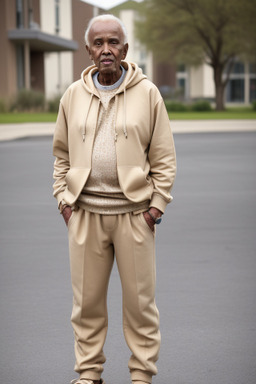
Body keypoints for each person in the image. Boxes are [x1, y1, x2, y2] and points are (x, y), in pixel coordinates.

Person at [53, 14, 176, 384]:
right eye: (98, 43)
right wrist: (63, 200)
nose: (106, 50)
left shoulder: (148, 93)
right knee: (86, 306)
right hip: (85, 215)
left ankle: (141, 375)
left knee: (140, 305)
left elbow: (165, 157)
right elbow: (61, 154)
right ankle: (89, 374)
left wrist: (155, 208)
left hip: (134, 215)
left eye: (113, 42)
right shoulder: (72, 96)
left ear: (124, 48)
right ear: (88, 50)